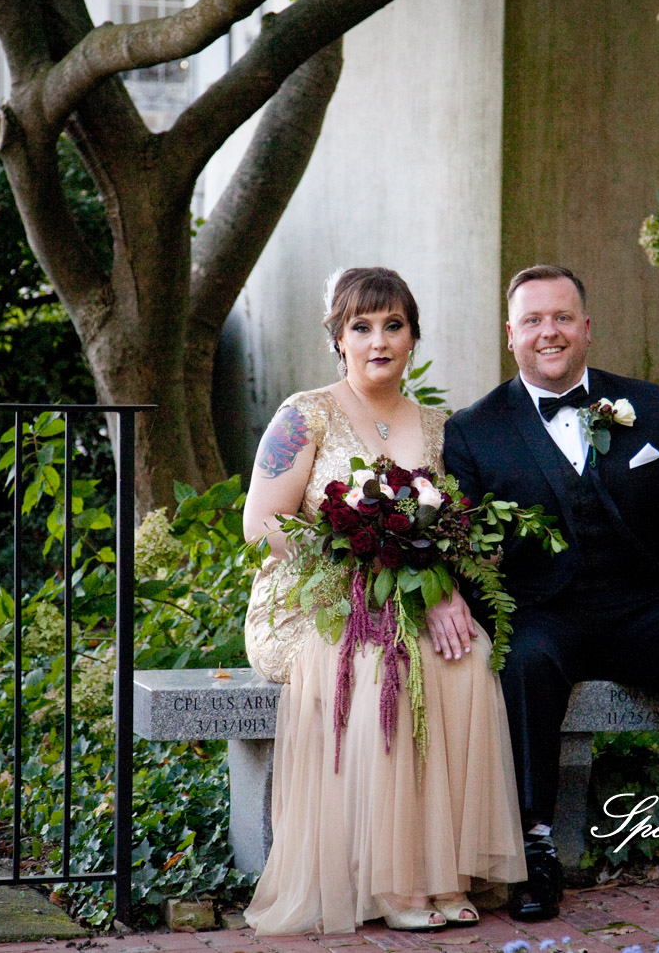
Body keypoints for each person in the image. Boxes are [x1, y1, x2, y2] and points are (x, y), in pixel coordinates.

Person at [439, 264, 659, 920]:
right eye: (532, 320)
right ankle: (534, 850)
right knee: (522, 662)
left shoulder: (652, 404)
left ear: (586, 328)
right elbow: (462, 541)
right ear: (511, 334)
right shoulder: (473, 428)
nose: (547, 331)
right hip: (542, 611)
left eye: (561, 318)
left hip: (640, 603)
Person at [242, 267, 526, 935]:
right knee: (384, 665)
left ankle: (444, 873)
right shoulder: (304, 413)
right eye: (361, 326)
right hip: (316, 602)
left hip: (408, 591)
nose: (378, 339)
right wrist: (361, 558)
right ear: (338, 338)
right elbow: (262, 524)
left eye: (393, 324)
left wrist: (445, 584)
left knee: (471, 655)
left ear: (413, 336)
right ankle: (393, 880)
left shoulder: (437, 425)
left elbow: (455, 529)